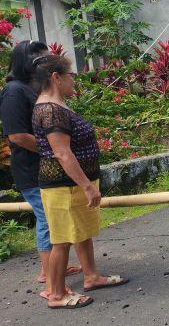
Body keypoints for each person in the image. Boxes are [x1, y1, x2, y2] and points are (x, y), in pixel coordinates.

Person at [31, 54, 128, 309]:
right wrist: (85, 185)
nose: (74, 80)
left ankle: (92, 276)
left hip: (71, 184)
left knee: (81, 234)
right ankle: (56, 295)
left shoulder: (56, 105)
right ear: (56, 77)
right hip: (64, 186)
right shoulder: (50, 109)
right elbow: (62, 152)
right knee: (61, 240)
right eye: (71, 75)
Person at [0, 41, 81, 298]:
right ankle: (49, 276)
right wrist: (54, 148)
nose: (45, 62)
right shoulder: (13, 91)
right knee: (48, 221)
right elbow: (17, 136)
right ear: (27, 62)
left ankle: (54, 267)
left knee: (53, 220)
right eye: (40, 58)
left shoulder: (31, 88)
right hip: (32, 170)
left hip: (45, 168)